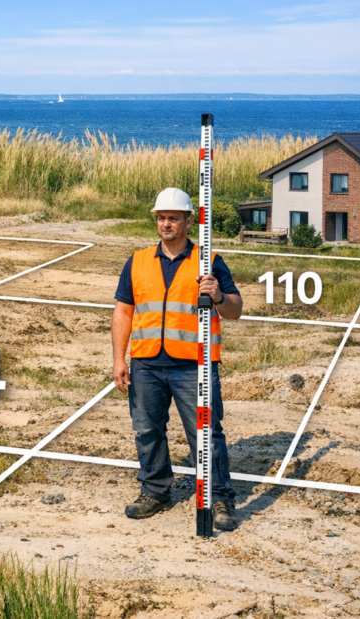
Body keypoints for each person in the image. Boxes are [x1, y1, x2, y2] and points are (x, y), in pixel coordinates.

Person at [111, 187, 242, 531]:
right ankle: (155, 491)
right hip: (146, 363)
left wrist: (218, 296)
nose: (166, 224)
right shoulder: (138, 261)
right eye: (161, 218)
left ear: (188, 220)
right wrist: (118, 359)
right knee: (147, 431)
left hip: (193, 365)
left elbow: (236, 311)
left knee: (207, 434)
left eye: (173, 218)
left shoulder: (208, 260)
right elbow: (124, 312)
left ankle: (219, 499)